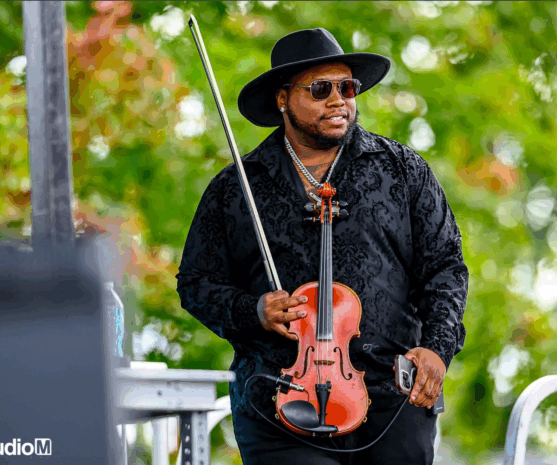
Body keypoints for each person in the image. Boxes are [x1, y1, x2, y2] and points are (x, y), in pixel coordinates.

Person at [176, 27, 468, 465]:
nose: (339, 100)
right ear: (282, 99)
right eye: (320, 89)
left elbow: (446, 266)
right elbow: (195, 284)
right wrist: (253, 310)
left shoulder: (402, 170)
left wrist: (438, 348)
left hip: (393, 400)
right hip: (280, 405)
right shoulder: (236, 188)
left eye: (347, 88)